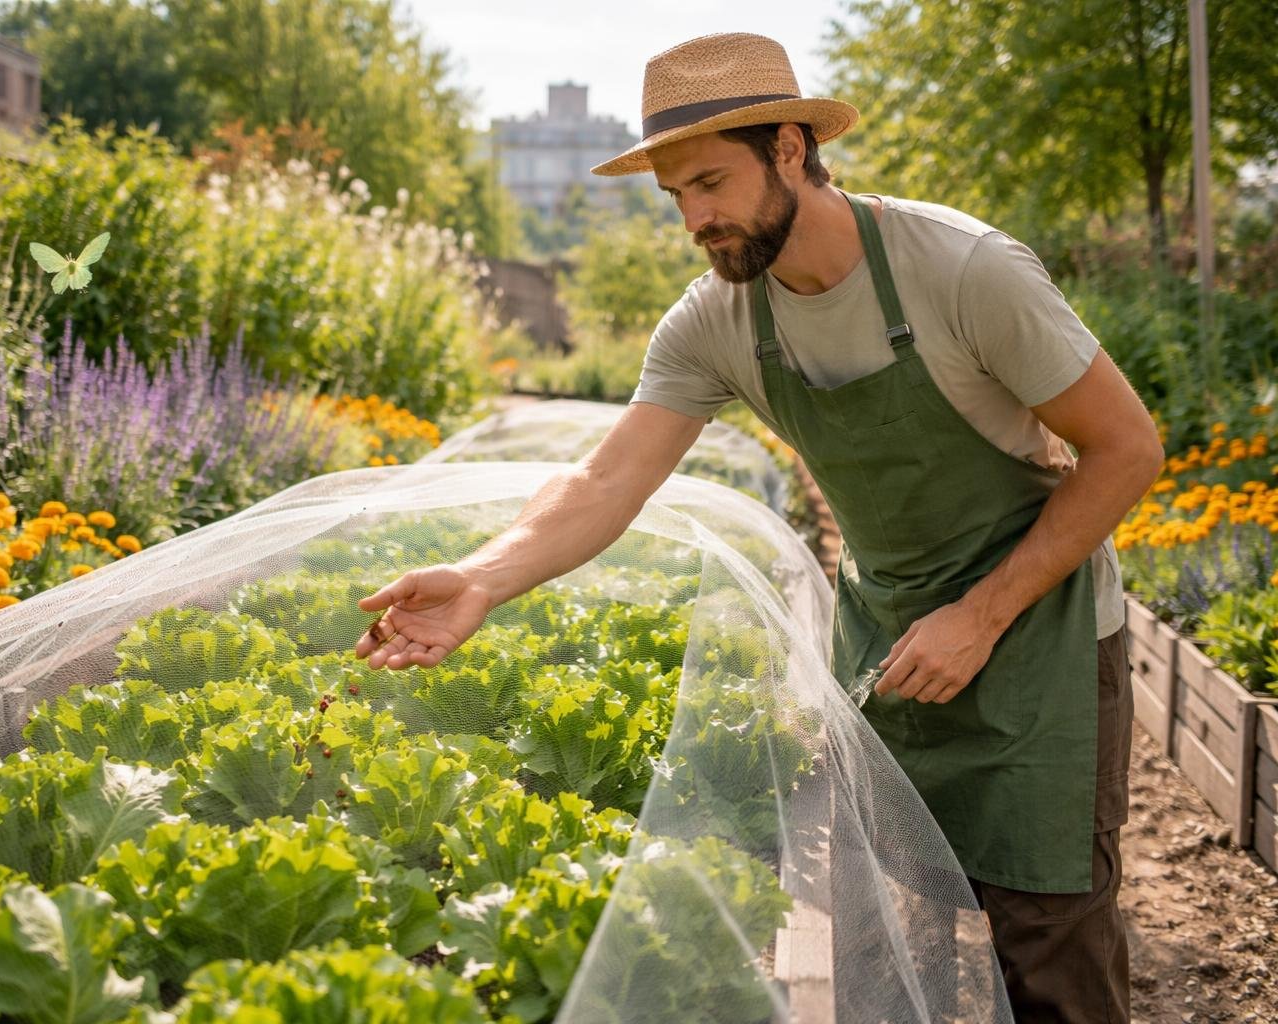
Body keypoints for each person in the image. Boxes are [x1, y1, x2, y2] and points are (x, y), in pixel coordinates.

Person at [353, 31, 1161, 1024]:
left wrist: (984, 614)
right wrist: (483, 576)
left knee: (1050, 942)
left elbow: (1127, 449)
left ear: (789, 147)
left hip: (1041, 636)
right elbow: (606, 479)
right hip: (892, 637)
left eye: (710, 182)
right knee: (901, 936)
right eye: (676, 197)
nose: (696, 218)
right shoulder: (718, 320)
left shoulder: (961, 269)